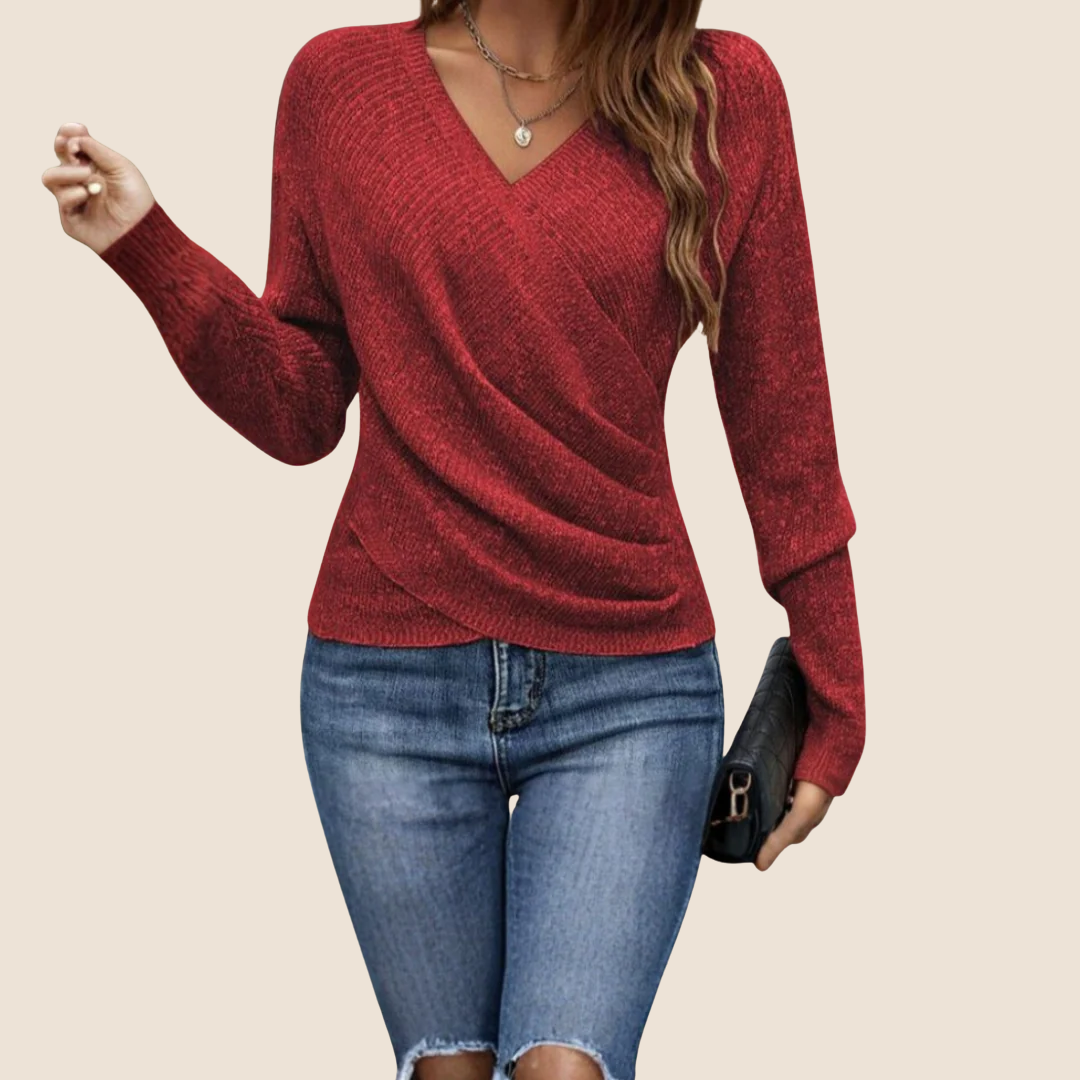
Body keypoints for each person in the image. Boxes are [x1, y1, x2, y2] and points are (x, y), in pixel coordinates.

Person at [40, 2, 865, 1078]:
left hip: (631, 681)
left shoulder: (721, 93)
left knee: (564, 1068)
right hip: (385, 690)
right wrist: (146, 245)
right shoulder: (341, 88)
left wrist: (837, 695)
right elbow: (299, 407)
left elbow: (783, 419)